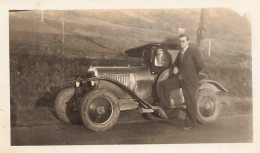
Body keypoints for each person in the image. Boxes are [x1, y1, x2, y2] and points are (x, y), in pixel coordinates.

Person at [157, 34, 207, 131]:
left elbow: (200, 65)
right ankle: (167, 107)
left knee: (190, 102)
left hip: (190, 81)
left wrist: (192, 74)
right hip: (180, 79)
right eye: (180, 41)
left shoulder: (193, 51)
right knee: (164, 84)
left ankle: (191, 124)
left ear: (188, 41)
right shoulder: (180, 53)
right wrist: (175, 67)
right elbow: (175, 64)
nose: (181, 43)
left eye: (183, 41)